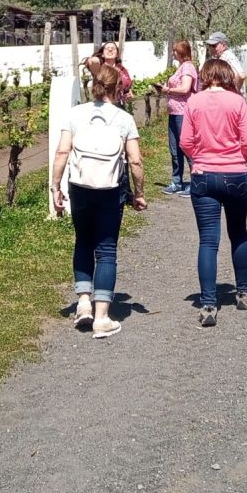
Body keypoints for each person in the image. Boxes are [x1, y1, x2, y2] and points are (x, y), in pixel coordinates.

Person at [51, 63, 147, 338]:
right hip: (110, 188)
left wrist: (55, 187)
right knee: (106, 249)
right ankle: (102, 317)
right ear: (117, 88)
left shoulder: (75, 115)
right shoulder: (123, 119)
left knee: (83, 240)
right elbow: (136, 161)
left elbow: (61, 153)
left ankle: (83, 303)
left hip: (80, 186)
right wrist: (138, 193)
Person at [180, 58, 247, 325]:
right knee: (238, 233)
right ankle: (244, 292)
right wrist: (239, 160)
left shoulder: (194, 102)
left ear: (204, 76)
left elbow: (185, 141)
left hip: (204, 176)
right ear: (226, 75)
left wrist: (197, 160)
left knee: (208, 241)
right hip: (235, 173)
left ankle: (209, 303)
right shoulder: (236, 101)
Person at [163, 40, 198, 195]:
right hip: (174, 112)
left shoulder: (188, 67)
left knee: (186, 146)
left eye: (175, 50)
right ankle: (177, 181)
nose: (173, 53)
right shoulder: (181, 68)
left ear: (181, 52)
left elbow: (185, 88)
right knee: (174, 148)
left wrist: (168, 89)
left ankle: (195, 182)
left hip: (183, 112)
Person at [99, 41, 134, 107]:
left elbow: (127, 89)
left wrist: (129, 95)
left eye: (113, 48)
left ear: (117, 54)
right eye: (107, 48)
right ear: (102, 54)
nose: (110, 49)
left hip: (120, 106)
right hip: (103, 105)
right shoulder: (99, 69)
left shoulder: (122, 70)